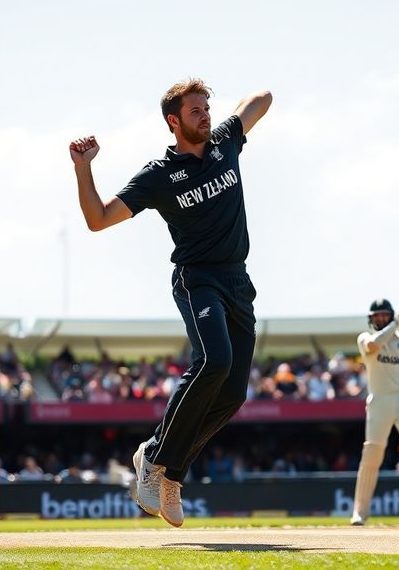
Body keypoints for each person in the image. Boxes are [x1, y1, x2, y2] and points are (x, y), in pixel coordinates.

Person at [69, 78, 272, 527]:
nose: (205, 114)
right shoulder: (159, 175)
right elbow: (98, 220)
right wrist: (84, 169)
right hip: (198, 280)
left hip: (239, 281)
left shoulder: (225, 143)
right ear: (173, 122)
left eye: (206, 107)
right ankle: (157, 457)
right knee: (213, 362)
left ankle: (169, 472)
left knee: (234, 392)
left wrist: (238, 114)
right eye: (195, 109)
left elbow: (263, 99)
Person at [350, 298, 399, 526]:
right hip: (379, 400)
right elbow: (374, 345)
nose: (381, 319)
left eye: (385, 315)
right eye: (377, 316)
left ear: (390, 315)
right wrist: (396, 324)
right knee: (372, 454)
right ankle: (360, 513)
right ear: (372, 319)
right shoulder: (365, 338)